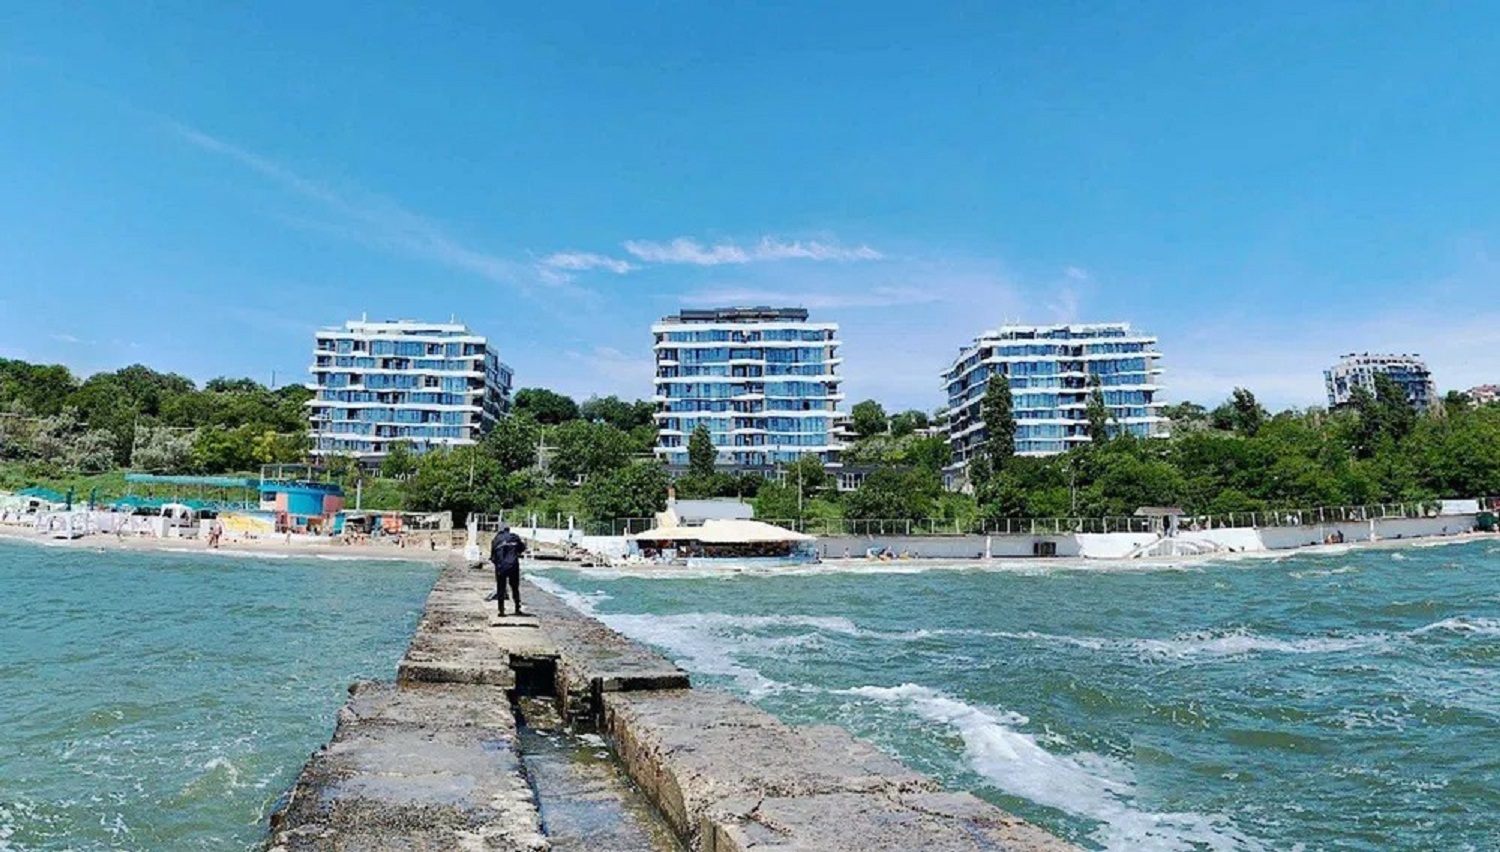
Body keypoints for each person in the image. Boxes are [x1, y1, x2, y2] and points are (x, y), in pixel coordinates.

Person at [489, 526, 527, 616]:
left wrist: (497, 564)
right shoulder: (514, 537)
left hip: (501, 566)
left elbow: (492, 557)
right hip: (513, 565)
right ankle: (517, 608)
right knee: (515, 587)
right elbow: (522, 548)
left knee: (501, 588)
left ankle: (501, 610)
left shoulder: (496, 539)